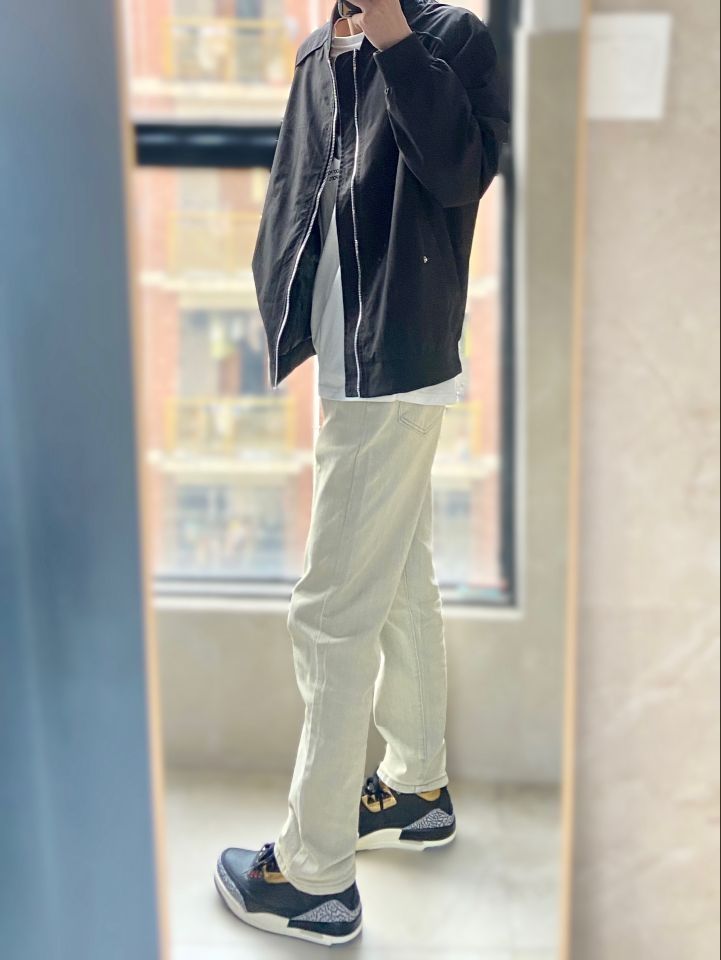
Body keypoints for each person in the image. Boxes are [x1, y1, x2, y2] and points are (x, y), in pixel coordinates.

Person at [214, 0, 510, 945]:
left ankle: (313, 877)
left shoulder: (449, 40)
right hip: (347, 364)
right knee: (396, 583)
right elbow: (299, 189)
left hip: (398, 364)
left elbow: (458, 173)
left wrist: (389, 34)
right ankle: (415, 789)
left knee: (329, 612)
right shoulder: (317, 52)